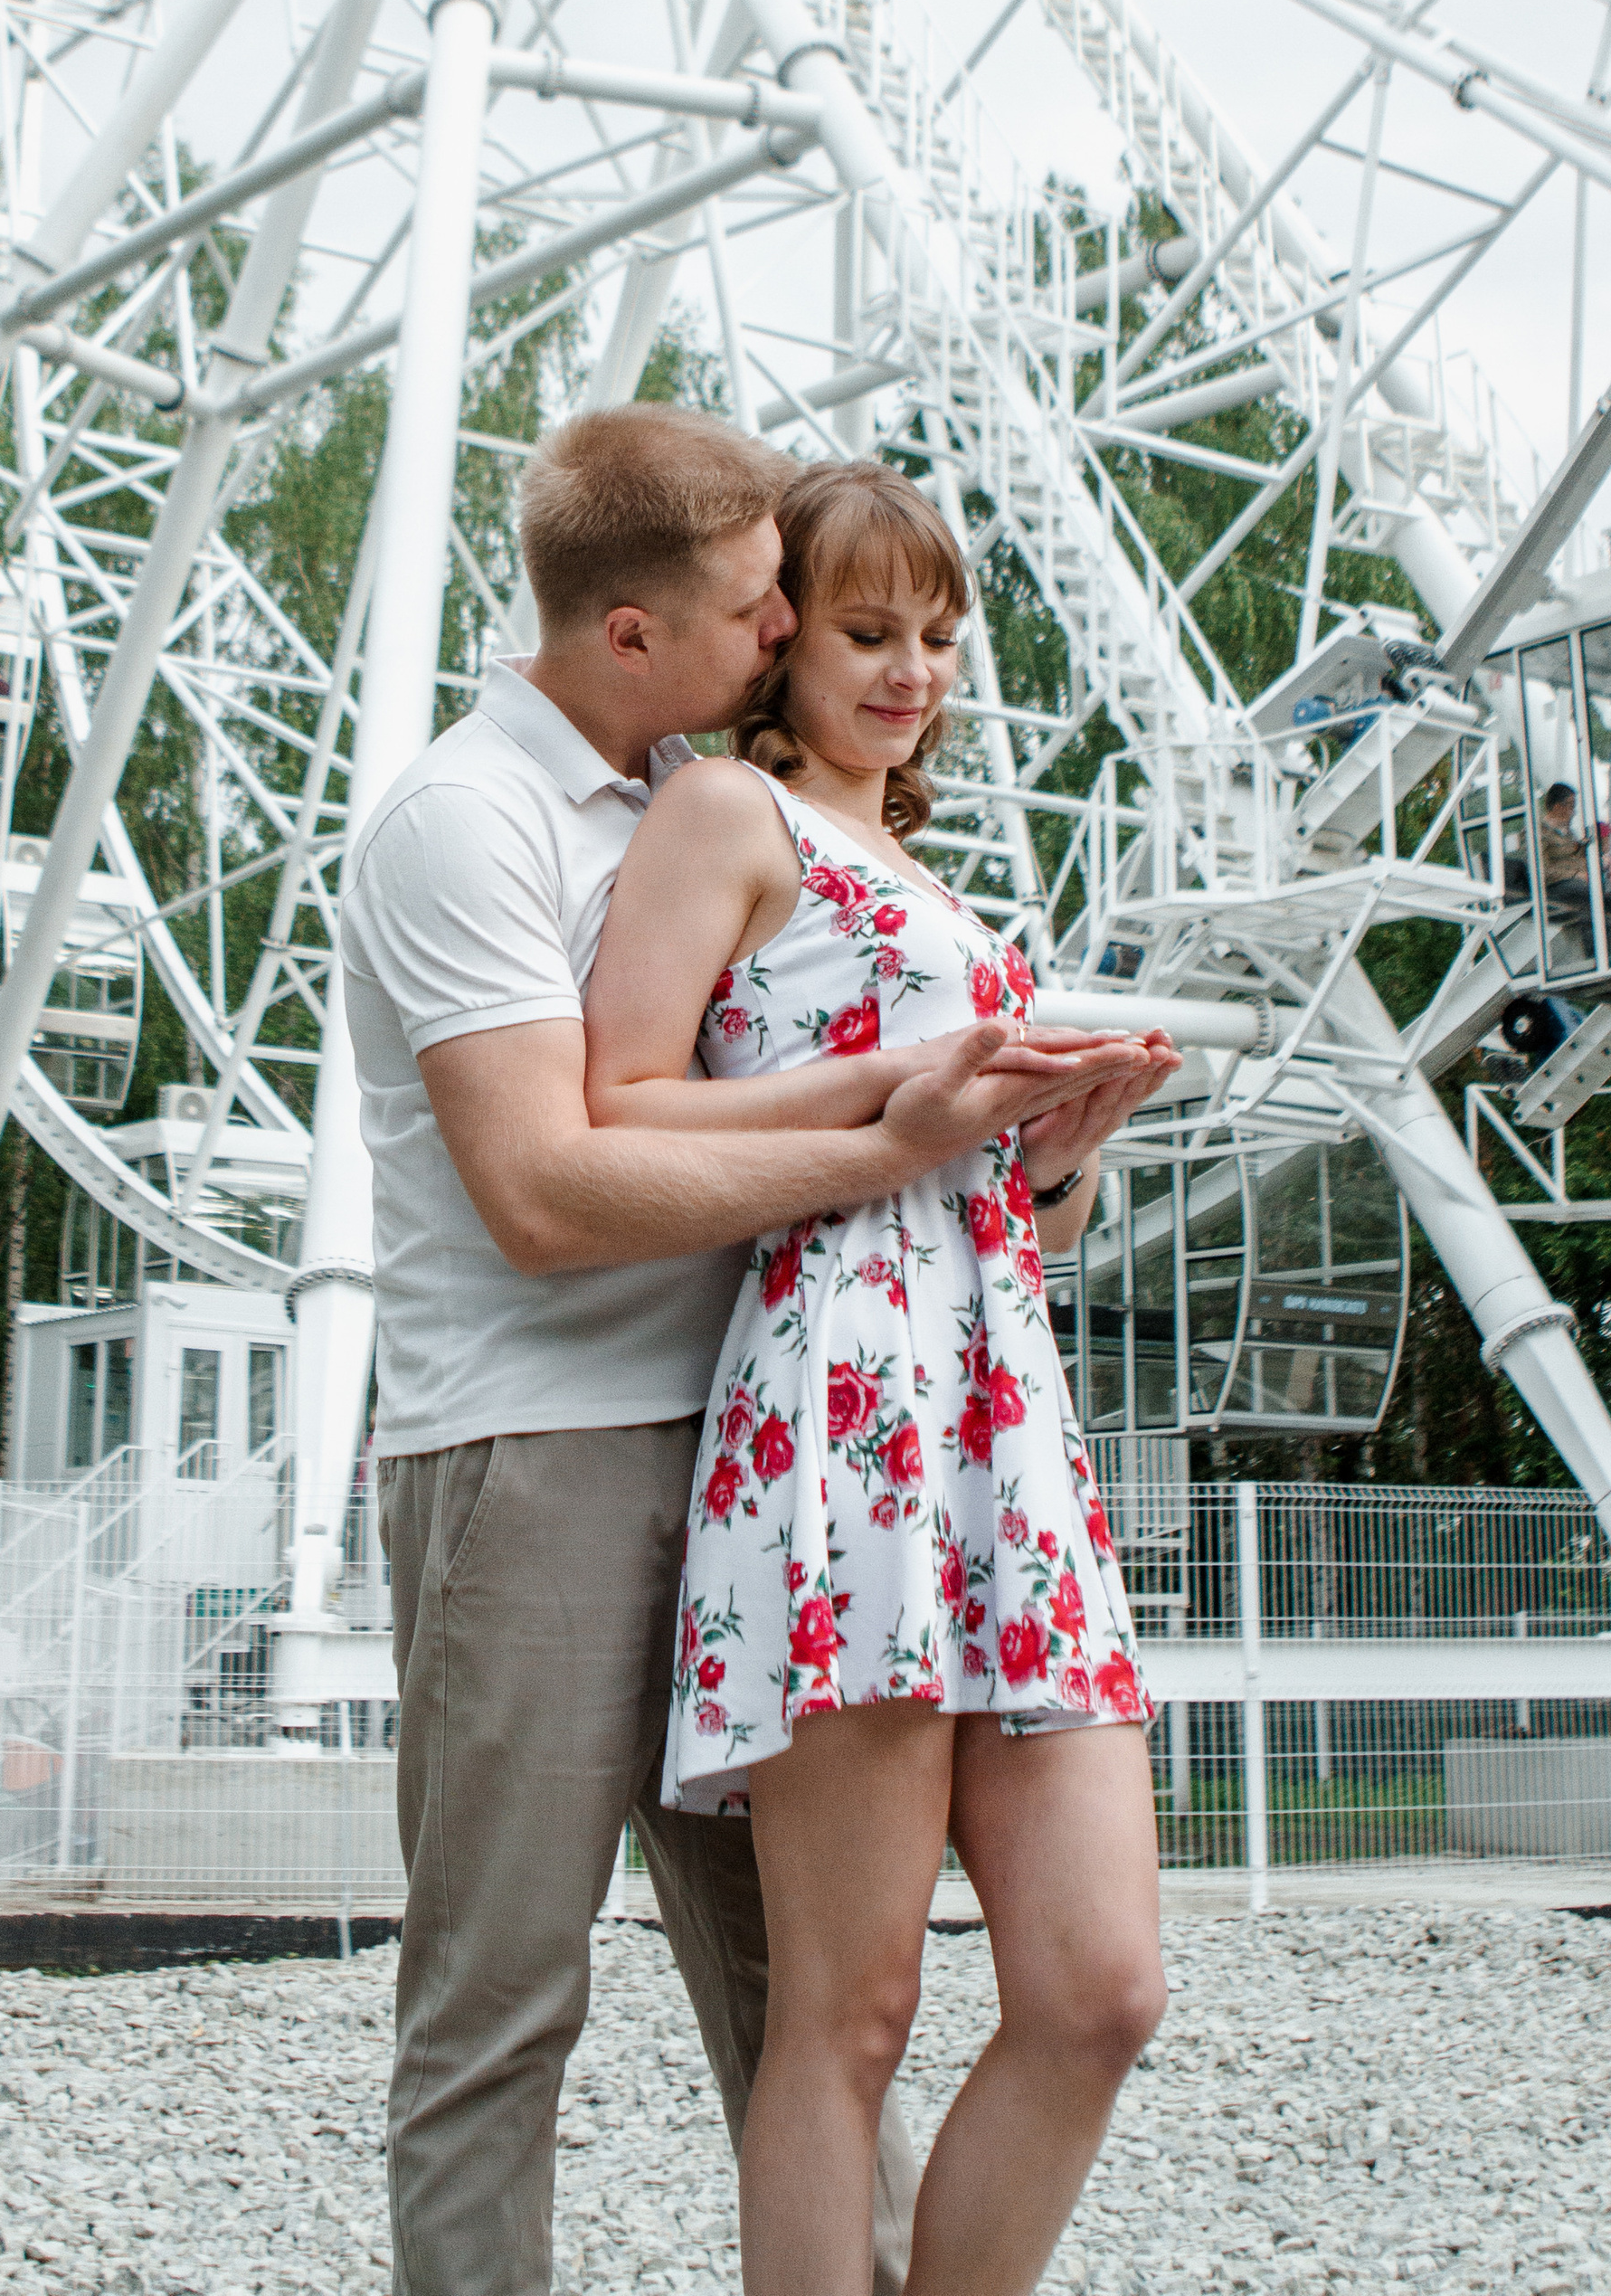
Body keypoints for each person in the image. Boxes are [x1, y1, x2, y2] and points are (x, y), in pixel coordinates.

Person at [341, 404, 1161, 2296]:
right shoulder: (466, 823)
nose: (789, 630)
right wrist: (891, 1123)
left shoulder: (697, 802)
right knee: (503, 1997)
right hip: (541, 1455)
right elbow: (547, 1187)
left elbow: (905, 1160)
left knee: (810, 1990)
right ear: (635, 630)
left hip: (770, 1442)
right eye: (764, 607)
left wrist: (1039, 1151)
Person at [585, 460, 1177, 2296]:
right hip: (842, 1407)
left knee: (1098, 1990)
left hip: (1000, 1408)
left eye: (935, 635)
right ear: (779, 640)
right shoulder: (727, 814)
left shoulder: (936, 877)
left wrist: (1066, 1146)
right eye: (866, 631)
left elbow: (1017, 1216)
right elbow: (619, 1106)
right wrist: (890, 1108)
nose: (911, 670)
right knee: (848, 2014)